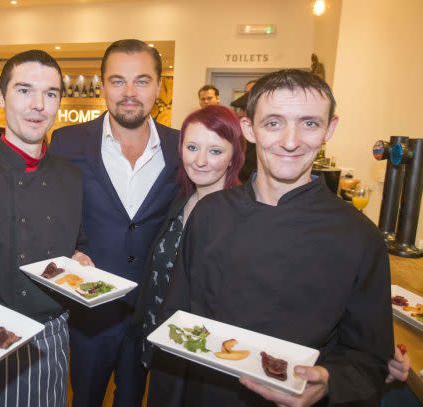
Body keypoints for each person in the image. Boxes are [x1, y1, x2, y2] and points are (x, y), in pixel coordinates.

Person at [153, 69, 393, 406]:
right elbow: (175, 323)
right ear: (249, 129)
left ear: (330, 128)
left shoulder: (360, 237)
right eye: (274, 123)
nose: (291, 141)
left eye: (309, 123)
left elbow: (369, 359)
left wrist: (327, 381)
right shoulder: (209, 215)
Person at [0, 50, 91, 407]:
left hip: (51, 339)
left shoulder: (71, 177)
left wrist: (79, 260)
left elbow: (76, 245)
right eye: (24, 90)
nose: (38, 105)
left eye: (51, 93)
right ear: (0, 96)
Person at [49, 39, 180, 407]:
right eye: (117, 80)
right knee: (85, 398)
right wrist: (69, 247)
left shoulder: (180, 147)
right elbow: (54, 211)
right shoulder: (66, 141)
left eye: (141, 81)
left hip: (149, 308)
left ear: (158, 86)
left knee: (134, 398)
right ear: (102, 84)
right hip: (90, 312)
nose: (129, 93)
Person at [132, 105, 245, 389]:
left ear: (234, 156)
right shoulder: (182, 199)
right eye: (192, 147)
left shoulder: (239, 218)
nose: (201, 161)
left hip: (198, 355)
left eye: (216, 151)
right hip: (160, 335)